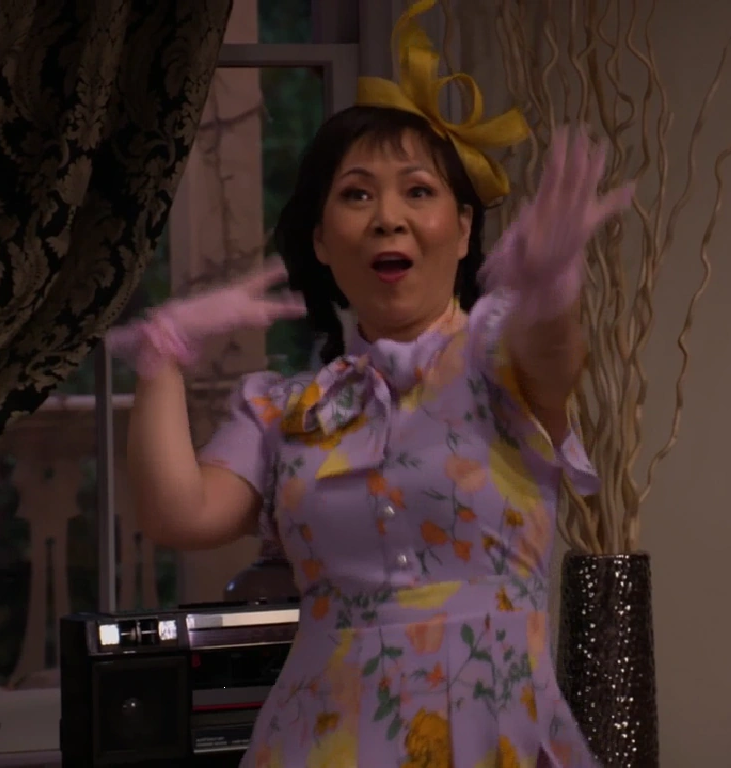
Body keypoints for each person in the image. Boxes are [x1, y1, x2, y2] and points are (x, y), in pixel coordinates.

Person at [106, 0, 632, 765]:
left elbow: (555, 357)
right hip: (321, 741)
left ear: (462, 227)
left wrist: (553, 286)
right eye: (357, 194)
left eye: (418, 191)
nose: (388, 217)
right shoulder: (281, 408)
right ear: (322, 240)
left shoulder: (499, 355)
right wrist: (164, 349)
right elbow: (178, 512)